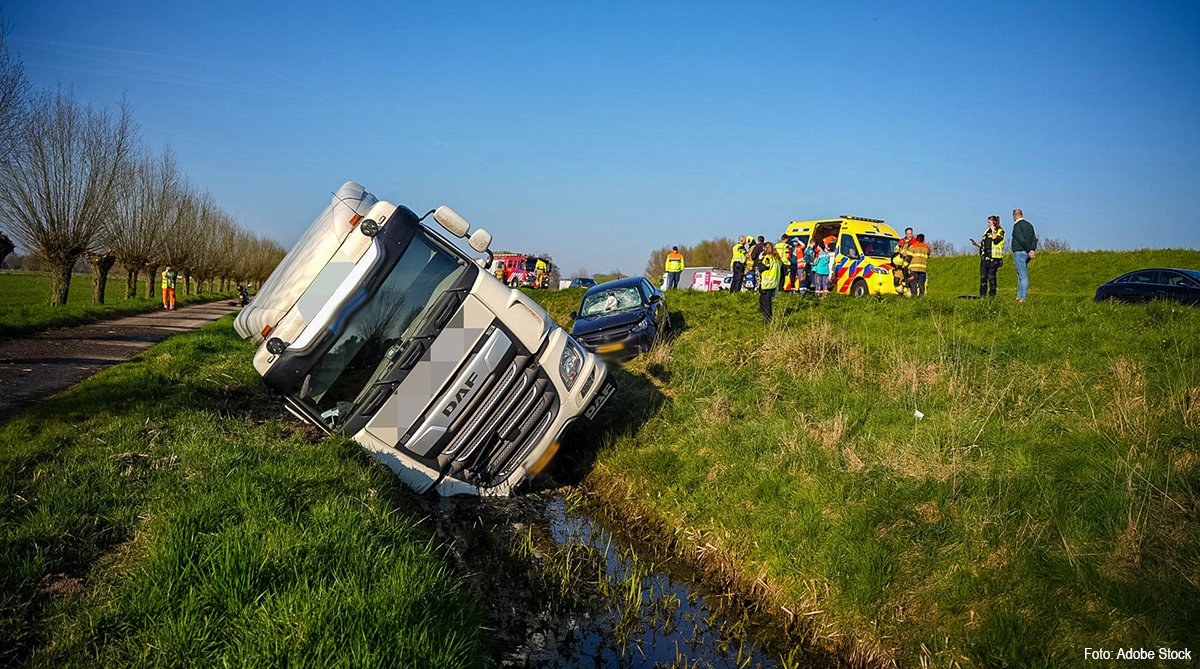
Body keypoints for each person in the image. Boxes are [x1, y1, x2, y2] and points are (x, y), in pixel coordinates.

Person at [971, 215, 1005, 297]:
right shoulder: (987, 232)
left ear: (994, 222)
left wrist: (993, 230)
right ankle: (982, 295)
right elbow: (983, 244)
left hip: (994, 259)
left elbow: (996, 241)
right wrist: (977, 244)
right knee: (983, 278)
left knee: (991, 278)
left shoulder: (1000, 231)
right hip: (984, 258)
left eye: (989, 222)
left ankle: (992, 296)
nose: (988, 224)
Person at [1011, 208, 1038, 302]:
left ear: (1014, 216)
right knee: (1020, 275)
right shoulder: (1029, 225)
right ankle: (1018, 297)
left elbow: (1021, 239)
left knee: (1022, 276)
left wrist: (1029, 250)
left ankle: (1022, 298)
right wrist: (1032, 250)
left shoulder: (1017, 226)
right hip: (1027, 253)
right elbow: (1034, 239)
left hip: (1020, 252)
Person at [759, 242, 781, 324]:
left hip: (767, 284)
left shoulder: (767, 258)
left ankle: (767, 320)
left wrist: (760, 260)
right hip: (774, 283)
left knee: (766, 303)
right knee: (763, 301)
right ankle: (766, 317)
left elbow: (762, 268)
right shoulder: (776, 258)